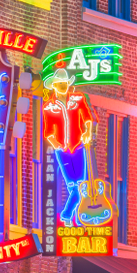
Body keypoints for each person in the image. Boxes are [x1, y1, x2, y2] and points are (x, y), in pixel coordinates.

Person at [42, 67, 95, 226]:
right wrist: (57, 146)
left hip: (78, 148)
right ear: (54, 86)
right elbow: (48, 133)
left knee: (80, 186)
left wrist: (88, 133)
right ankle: (75, 217)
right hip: (63, 152)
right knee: (74, 186)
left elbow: (88, 118)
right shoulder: (48, 107)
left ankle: (67, 215)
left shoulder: (78, 99)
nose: (63, 86)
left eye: (64, 83)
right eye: (60, 84)